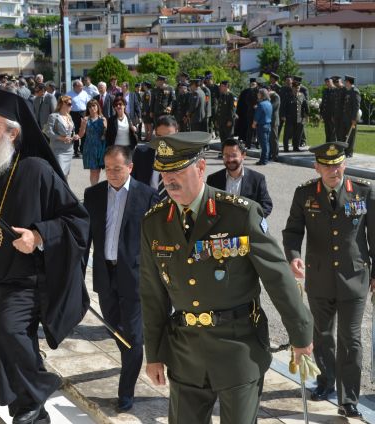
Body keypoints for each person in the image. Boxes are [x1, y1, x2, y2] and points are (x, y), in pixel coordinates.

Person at [139, 131, 313, 424]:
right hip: (186, 354)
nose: (169, 180)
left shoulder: (238, 214)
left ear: (201, 168)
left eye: (178, 171)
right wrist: (154, 354)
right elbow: (152, 294)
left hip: (238, 350)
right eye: (164, 173)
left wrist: (301, 335)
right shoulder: (154, 223)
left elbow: (278, 277)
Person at [0, 88, 90, 424]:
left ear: (13, 133)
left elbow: (77, 219)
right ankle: (31, 413)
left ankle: (38, 392)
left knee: (10, 334)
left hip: (24, 282)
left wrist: (39, 235)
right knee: (0, 348)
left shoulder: (37, 171)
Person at [282, 141, 374, 419]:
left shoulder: (364, 192)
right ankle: (325, 382)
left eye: (338, 164)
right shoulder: (305, 193)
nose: (334, 170)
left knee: (351, 339)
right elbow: (293, 231)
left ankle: (349, 398)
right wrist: (294, 255)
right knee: (322, 336)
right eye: (328, 165)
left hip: (355, 277)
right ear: (317, 166)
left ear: (345, 164)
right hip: (319, 276)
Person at [83, 145, 159, 412]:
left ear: (130, 167)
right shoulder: (92, 195)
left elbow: (156, 242)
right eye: (108, 168)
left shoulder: (147, 196)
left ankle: (125, 392)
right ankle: (132, 359)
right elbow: (85, 239)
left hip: (134, 277)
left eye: (117, 168)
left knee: (134, 338)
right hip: (105, 275)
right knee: (115, 329)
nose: (112, 173)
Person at [206, 138, 273, 217]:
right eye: (226, 155)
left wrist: (251, 220)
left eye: (234, 155)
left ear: (243, 155)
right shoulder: (213, 179)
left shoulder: (257, 179)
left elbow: (266, 206)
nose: (230, 159)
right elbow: (208, 205)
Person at [131, 115, 178, 197]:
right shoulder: (141, 153)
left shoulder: (184, 157)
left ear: (177, 133)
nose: (164, 141)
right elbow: (132, 183)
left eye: (169, 137)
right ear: (155, 134)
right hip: (147, 202)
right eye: (160, 137)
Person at [44, 95, 78, 178]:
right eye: (69, 104)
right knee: (60, 173)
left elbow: (71, 132)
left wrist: (74, 136)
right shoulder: (53, 116)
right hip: (58, 150)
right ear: (63, 104)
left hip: (69, 149)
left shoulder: (69, 116)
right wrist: (61, 138)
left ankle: (63, 190)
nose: (71, 106)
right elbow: (48, 132)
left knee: (65, 174)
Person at [78, 99, 107, 186]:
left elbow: (106, 134)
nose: (92, 108)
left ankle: (95, 189)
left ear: (98, 107)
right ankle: (94, 190)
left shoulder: (103, 119)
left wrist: (105, 128)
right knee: (93, 171)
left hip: (101, 147)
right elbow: (81, 134)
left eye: (94, 106)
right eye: (89, 107)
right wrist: (82, 126)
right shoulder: (86, 119)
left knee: (98, 171)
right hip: (90, 147)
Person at [281, 79, 308, 153]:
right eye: (295, 88)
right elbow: (283, 106)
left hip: (300, 117)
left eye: (298, 88)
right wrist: (283, 115)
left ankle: (296, 147)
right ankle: (286, 148)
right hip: (289, 117)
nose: (297, 89)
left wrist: (307, 115)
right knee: (287, 133)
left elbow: (305, 106)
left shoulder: (302, 95)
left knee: (298, 133)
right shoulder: (287, 96)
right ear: (292, 88)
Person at [67, 79, 92, 158]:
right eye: (80, 86)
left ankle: (83, 149)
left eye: (82, 86)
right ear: (75, 86)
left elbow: (88, 105)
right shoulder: (69, 94)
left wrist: (88, 115)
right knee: (74, 132)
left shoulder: (85, 93)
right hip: (73, 114)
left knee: (84, 132)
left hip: (83, 113)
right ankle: (75, 150)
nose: (82, 87)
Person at [252, 88, 272, 165]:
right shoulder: (269, 103)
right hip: (268, 125)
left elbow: (257, 116)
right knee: (266, 143)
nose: (257, 94)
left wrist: (253, 124)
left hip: (261, 125)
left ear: (262, 95)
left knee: (263, 144)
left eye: (259, 93)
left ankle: (263, 160)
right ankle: (266, 159)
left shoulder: (260, 104)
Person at [342, 75, 361, 158]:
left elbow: (356, 106)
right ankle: (346, 151)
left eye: (345, 81)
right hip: (346, 117)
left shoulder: (355, 91)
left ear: (349, 82)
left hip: (351, 118)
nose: (344, 83)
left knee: (351, 135)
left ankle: (349, 152)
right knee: (346, 134)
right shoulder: (348, 91)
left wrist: (354, 119)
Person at [267, 85, 281, 162]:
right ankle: (269, 154)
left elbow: (272, 107)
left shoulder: (276, 96)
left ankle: (275, 155)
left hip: (274, 120)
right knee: (269, 139)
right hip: (268, 120)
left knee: (274, 138)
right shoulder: (268, 97)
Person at [320, 77, 335, 143]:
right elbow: (323, 103)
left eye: (328, 82)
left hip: (332, 115)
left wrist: (334, 115)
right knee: (327, 131)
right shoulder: (325, 90)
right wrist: (321, 113)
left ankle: (332, 145)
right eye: (326, 82)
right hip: (326, 114)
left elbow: (335, 105)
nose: (327, 83)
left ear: (332, 82)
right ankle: (327, 144)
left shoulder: (335, 90)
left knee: (333, 131)